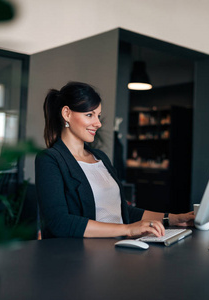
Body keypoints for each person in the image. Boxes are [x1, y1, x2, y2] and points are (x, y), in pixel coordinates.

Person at [35, 81, 194, 238]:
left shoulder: (100, 157)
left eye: (98, 115)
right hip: (83, 256)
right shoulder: (50, 159)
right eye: (89, 115)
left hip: (120, 245)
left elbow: (121, 210)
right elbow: (59, 222)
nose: (97, 123)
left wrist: (173, 218)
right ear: (66, 113)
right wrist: (128, 230)